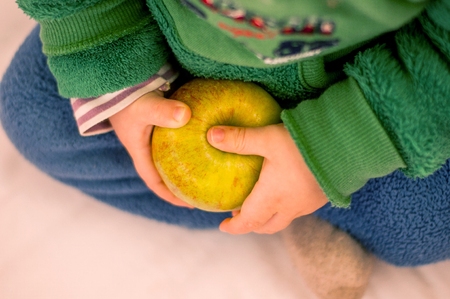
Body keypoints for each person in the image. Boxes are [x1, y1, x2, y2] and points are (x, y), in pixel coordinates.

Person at [1, 0, 449, 298]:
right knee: (30, 111)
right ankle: (285, 205)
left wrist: (342, 145)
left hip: (385, 86)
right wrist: (110, 58)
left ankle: (308, 197)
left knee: (432, 221)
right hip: (160, 47)